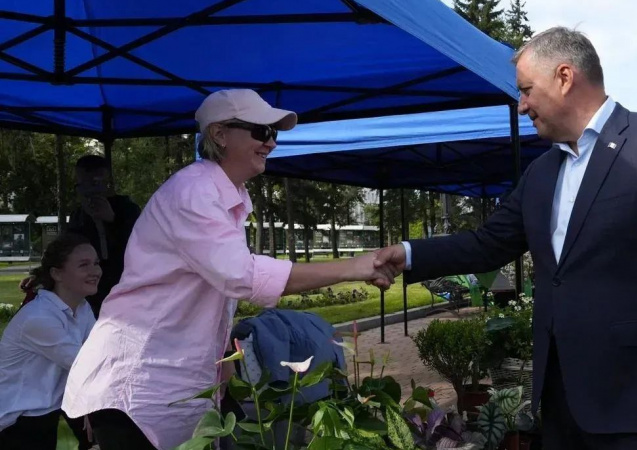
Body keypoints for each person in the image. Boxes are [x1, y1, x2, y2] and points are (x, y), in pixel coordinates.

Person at [374, 27, 637, 450]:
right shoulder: (543, 171)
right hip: (562, 401)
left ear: (565, 77)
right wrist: (408, 253)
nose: (521, 104)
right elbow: (488, 243)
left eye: (527, 89)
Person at [61, 89, 398, 450]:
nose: (270, 143)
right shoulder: (194, 191)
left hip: (166, 384)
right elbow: (243, 277)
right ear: (219, 135)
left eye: (274, 134)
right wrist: (354, 267)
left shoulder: (226, 197)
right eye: (260, 131)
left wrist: (222, 363)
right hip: (136, 382)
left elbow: (216, 291)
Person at [0, 233, 99, 450]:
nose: (95, 271)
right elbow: (90, 367)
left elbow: (99, 356)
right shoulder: (39, 318)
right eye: (84, 265)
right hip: (16, 421)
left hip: (49, 411)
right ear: (57, 273)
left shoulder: (82, 308)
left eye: (96, 263)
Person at [20, 155, 142, 318]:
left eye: (95, 182)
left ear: (107, 181)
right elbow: (64, 250)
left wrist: (113, 220)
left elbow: (141, 245)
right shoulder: (79, 215)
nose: (90, 190)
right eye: (82, 184)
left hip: (124, 285)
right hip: (90, 291)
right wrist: (40, 274)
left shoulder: (127, 210)